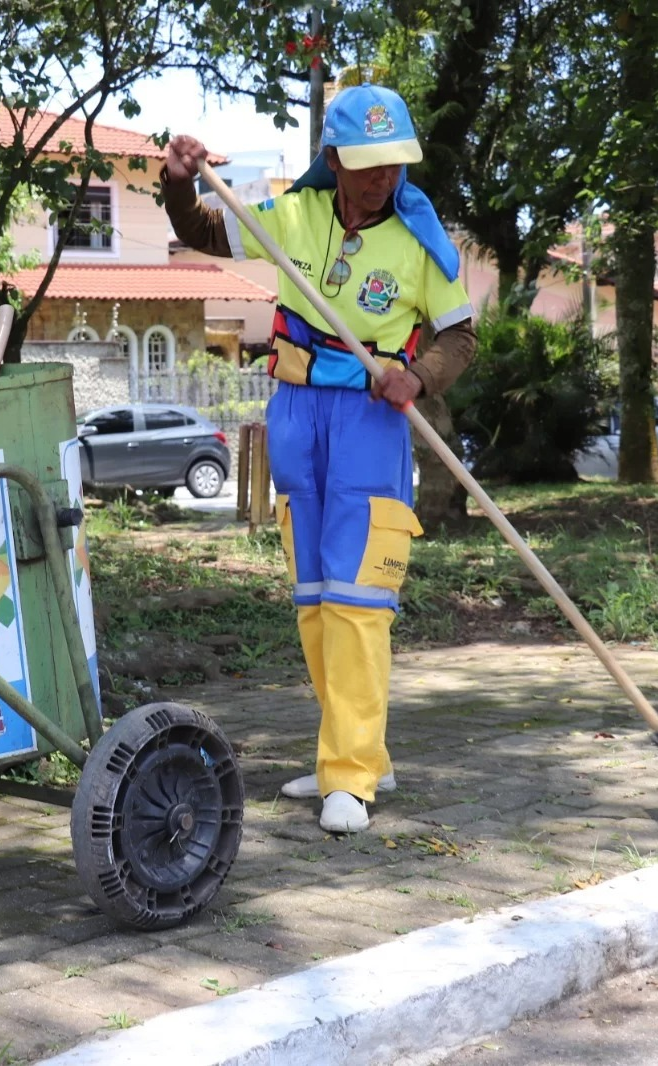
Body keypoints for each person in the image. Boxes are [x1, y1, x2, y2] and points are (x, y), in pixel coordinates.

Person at [161, 85, 477, 833]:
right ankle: (356, 747)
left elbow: (458, 337)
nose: (382, 179)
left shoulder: (419, 241)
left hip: (371, 420)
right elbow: (207, 230)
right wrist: (178, 183)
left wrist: (419, 376)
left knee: (359, 599)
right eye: (367, 165)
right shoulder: (293, 217)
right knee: (314, 598)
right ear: (333, 160)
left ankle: (352, 773)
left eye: (394, 164)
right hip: (296, 416)